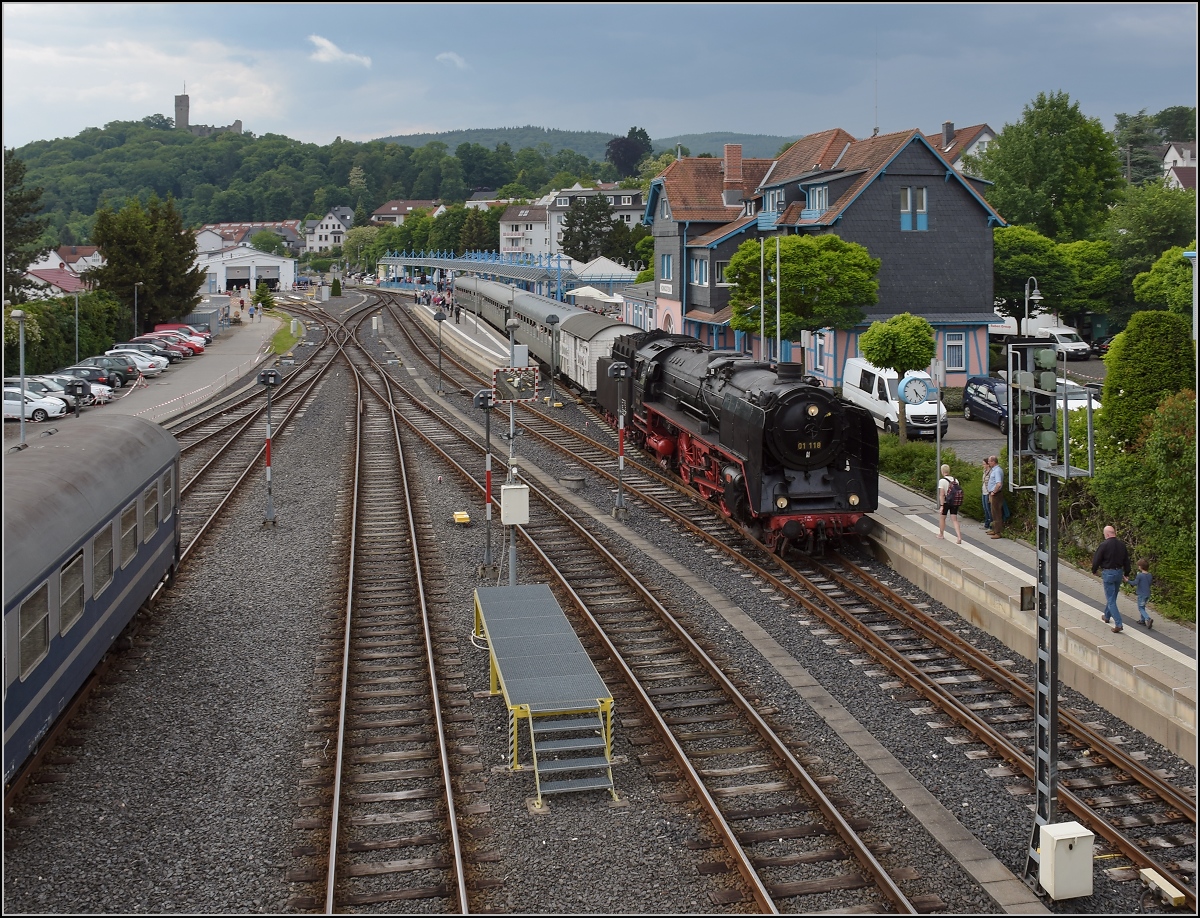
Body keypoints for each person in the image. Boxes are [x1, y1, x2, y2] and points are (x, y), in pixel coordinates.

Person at [1091, 525, 1130, 633]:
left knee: (1111, 599)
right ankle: (1107, 616)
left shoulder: (1104, 545)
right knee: (1113, 596)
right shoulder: (1122, 545)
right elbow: (1126, 560)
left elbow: (1097, 559)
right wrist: (1127, 573)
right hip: (1119, 573)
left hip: (1108, 573)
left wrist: (1094, 570)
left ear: (1107, 534)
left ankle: (1119, 624)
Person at [937, 464, 963, 544]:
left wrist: (941, 505)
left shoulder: (942, 481)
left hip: (946, 502)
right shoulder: (955, 480)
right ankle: (959, 537)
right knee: (954, 520)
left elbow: (941, 494)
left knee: (942, 518)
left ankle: (941, 534)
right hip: (954, 502)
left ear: (942, 471)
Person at [986, 455, 1004, 539]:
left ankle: (998, 532)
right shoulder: (994, 470)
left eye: (989, 461)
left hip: (996, 494)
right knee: (993, 512)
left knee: (996, 513)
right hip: (992, 494)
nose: (988, 463)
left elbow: (998, 483)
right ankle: (994, 529)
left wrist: (994, 491)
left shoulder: (997, 471)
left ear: (993, 462)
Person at [1132, 558, 1153, 629]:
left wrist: (1127, 581)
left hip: (1141, 594)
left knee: (1140, 608)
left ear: (1140, 567)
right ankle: (1142, 620)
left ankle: (1148, 619)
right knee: (1143, 606)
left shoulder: (1140, 575)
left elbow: (1135, 583)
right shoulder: (1149, 575)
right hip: (1147, 594)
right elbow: (1149, 583)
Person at [980, 457, 993, 531]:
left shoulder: (991, 472)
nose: (983, 465)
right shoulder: (984, 471)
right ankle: (986, 523)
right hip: (984, 491)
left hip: (988, 492)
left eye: (984, 464)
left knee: (988, 509)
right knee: (985, 508)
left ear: (988, 464)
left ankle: (991, 525)